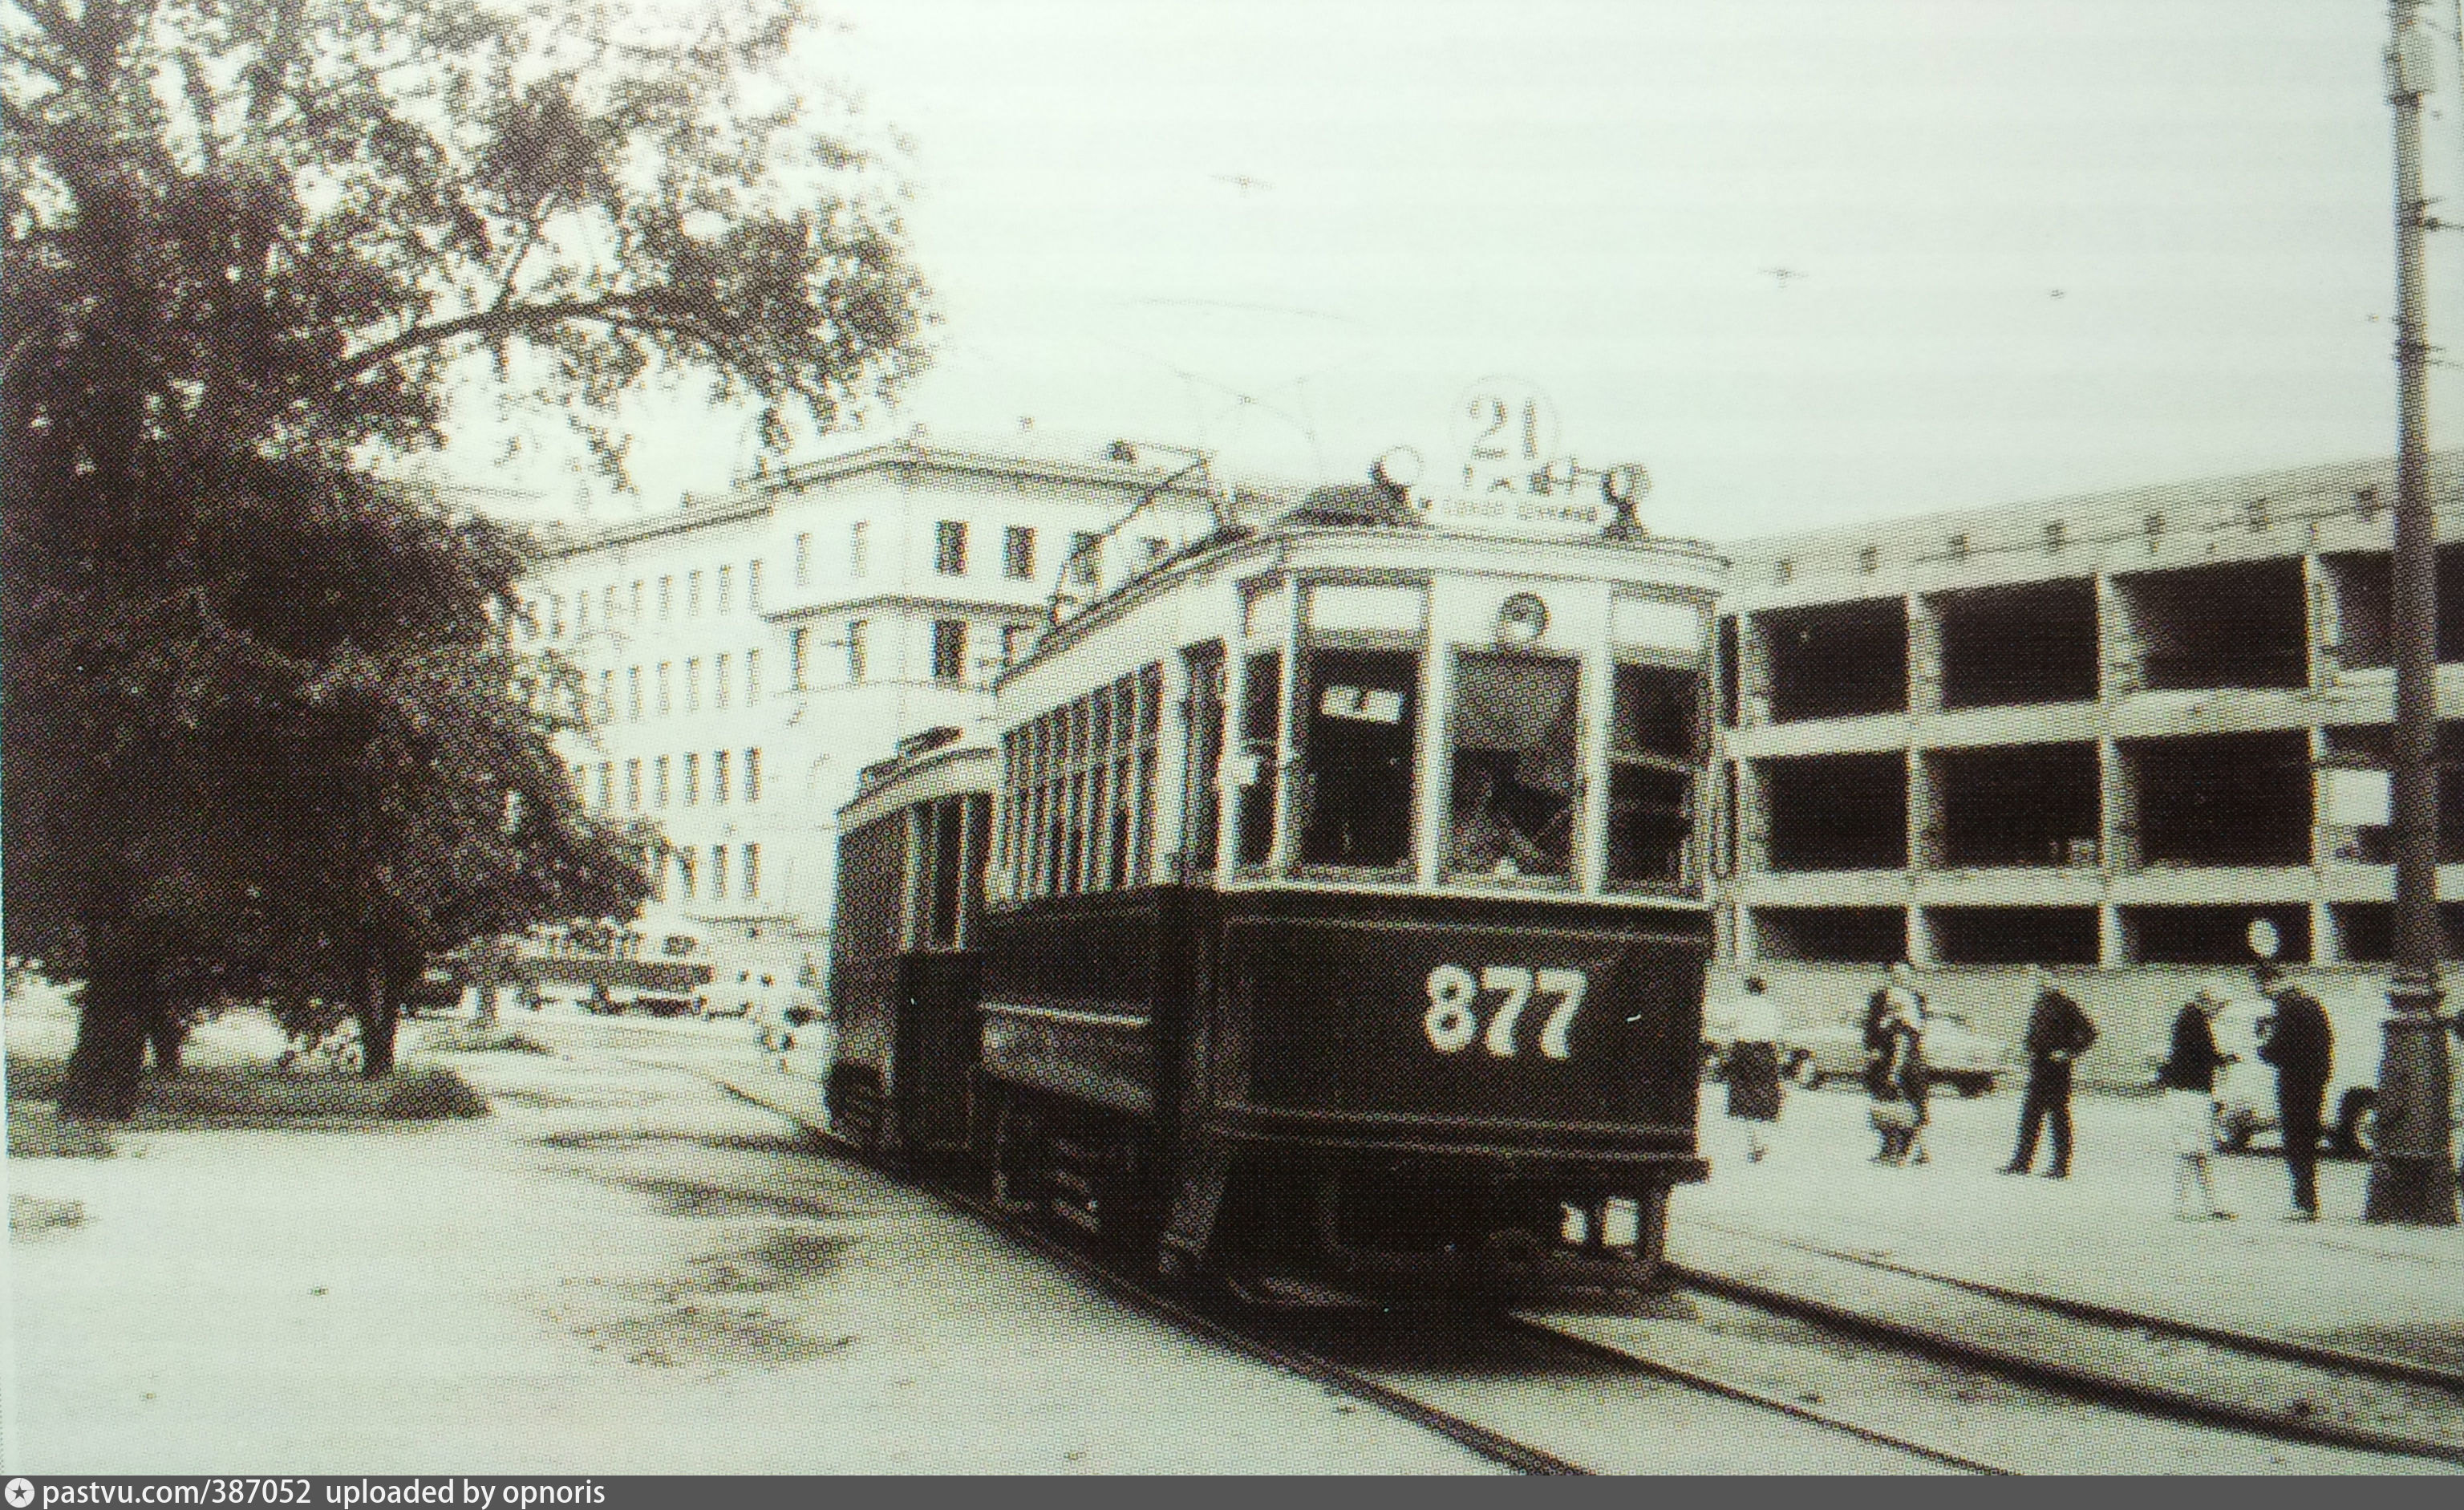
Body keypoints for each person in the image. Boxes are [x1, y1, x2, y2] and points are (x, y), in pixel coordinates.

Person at [2254, 963, 2332, 1221]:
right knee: (2309, 1142)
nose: (2262, 992)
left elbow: (2278, 1049)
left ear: (2271, 982)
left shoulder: (2287, 1007)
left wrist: (2262, 1045)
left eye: (2261, 986)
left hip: (2295, 1085)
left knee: (2296, 1144)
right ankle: (2309, 1202)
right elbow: (2326, 1043)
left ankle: (2304, 1203)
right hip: (2314, 1084)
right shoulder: (2311, 1003)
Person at [2004, 964, 2097, 1178]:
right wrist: (2026, 1050)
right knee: (2030, 1117)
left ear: (2051, 978)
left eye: (2038, 977)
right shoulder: (2039, 1004)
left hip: (2057, 1069)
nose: (2034, 981)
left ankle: (2060, 1165)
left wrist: (2069, 1052)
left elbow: (2090, 1032)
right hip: (2038, 1067)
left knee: (2058, 1117)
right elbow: (2034, 1035)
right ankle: (2022, 1162)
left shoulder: (2063, 1004)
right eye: (2032, 977)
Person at [2158, 984, 2236, 1221]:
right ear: (2208, 1001)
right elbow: (2204, 1055)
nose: (2219, 1012)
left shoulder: (2188, 1018)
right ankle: (2186, 1205)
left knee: (2195, 1151)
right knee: (2193, 1150)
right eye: (2219, 1007)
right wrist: (2225, 1059)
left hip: (2185, 1092)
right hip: (2191, 1094)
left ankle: (2203, 1204)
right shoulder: (2195, 1022)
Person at [1716, 976, 1785, 1161]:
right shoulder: (1772, 1008)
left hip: (1744, 1052)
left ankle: (1755, 1141)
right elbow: (1778, 1032)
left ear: (1748, 989)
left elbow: (1723, 1022)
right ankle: (1762, 1140)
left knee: (1745, 1098)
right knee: (1764, 1097)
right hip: (1766, 1052)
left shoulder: (1742, 1005)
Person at [1868, 994, 1929, 1166]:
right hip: (1906, 1074)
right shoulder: (1892, 1027)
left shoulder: (1901, 1028)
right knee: (1904, 1116)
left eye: (1894, 1008)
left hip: (1906, 1075)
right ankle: (1911, 1152)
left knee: (1899, 1116)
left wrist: (1893, 1076)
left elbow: (1900, 1053)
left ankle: (1900, 1153)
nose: (1891, 1011)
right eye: (1890, 1008)